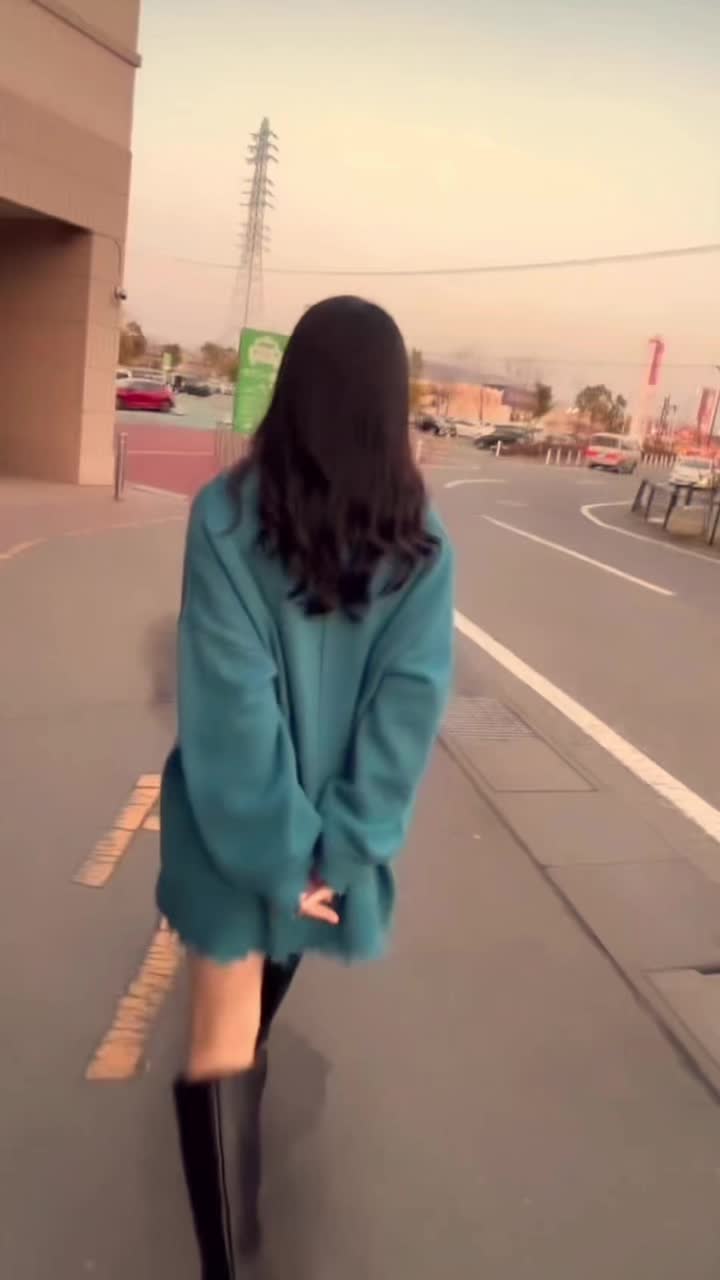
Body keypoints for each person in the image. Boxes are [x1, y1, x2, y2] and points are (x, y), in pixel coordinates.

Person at [157, 295, 454, 1277]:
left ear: (290, 392)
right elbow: (406, 714)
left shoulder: (224, 519)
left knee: (223, 1037)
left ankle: (226, 1246)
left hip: (230, 836)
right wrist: (337, 852)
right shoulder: (421, 545)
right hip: (329, 853)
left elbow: (230, 708)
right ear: (388, 406)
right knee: (242, 1030)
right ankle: (233, 1229)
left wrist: (284, 858)